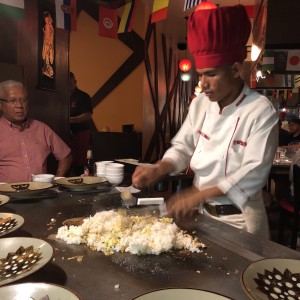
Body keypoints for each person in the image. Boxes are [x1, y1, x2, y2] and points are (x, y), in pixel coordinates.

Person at [132, 3, 278, 238]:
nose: (204, 83)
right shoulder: (200, 103)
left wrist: (196, 195)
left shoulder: (261, 111)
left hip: (242, 222)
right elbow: (183, 148)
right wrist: (158, 168)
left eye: (211, 74)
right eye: (201, 74)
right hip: (202, 217)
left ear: (235, 69)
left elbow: (253, 172)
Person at [0, 80, 72, 183]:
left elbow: (66, 156)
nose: (19, 105)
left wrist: (57, 178)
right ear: (1, 105)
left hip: (41, 193)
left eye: (23, 100)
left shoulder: (42, 129)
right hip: (7, 196)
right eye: (12, 100)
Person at [69, 72, 93, 176]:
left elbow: (87, 116)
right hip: (64, 134)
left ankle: (82, 179)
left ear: (75, 82)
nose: (67, 85)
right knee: (68, 160)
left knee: (80, 162)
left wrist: (69, 120)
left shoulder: (83, 96)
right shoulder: (60, 96)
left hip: (80, 133)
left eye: (70, 82)